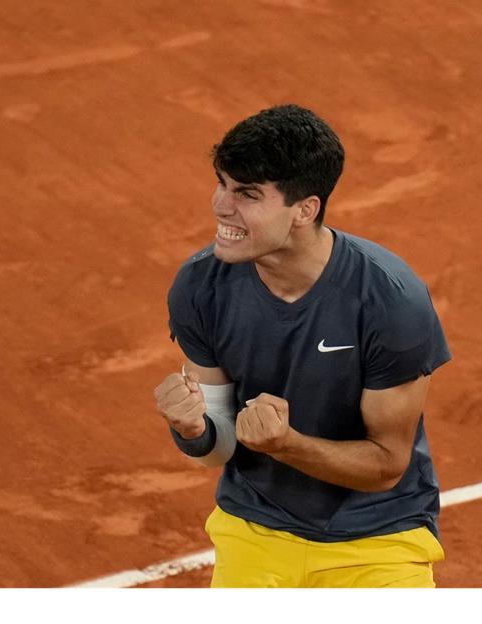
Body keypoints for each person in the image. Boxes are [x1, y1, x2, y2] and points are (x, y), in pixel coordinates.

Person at [153, 104, 452, 588]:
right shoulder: (199, 287)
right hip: (256, 529)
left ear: (304, 209)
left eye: (247, 194)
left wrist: (286, 446)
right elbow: (219, 445)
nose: (221, 205)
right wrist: (192, 430)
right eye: (222, 184)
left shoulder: (389, 300)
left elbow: (386, 466)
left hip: (379, 539)